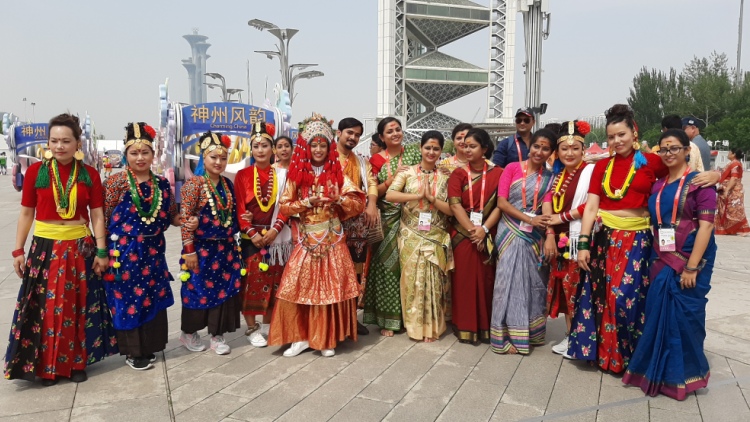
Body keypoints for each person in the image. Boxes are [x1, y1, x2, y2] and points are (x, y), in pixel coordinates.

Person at [573, 104, 719, 373]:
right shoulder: (602, 166)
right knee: (603, 297)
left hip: (639, 241)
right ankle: (607, 357)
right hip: (605, 239)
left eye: (621, 134)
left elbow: (682, 172)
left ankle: (634, 357)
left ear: (634, 133)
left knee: (627, 300)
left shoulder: (652, 161)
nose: (616, 141)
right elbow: (592, 207)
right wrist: (583, 244)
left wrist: (716, 174)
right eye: (611, 137)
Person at [6, 113, 114, 385]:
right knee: (47, 307)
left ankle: (77, 363)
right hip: (45, 248)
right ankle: (47, 367)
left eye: (66, 141)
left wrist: (102, 252)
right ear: (48, 142)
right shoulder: (36, 172)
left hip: (80, 247)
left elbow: (97, 215)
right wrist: (18, 251)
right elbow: (26, 213)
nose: (59, 146)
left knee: (78, 305)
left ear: (78, 143)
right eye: (54, 141)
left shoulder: (89, 174)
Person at [622, 129, 717, 400]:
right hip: (660, 257)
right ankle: (657, 373)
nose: (668, 153)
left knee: (685, 318)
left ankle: (685, 376)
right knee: (657, 313)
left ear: (687, 150)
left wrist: (691, 266)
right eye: (663, 149)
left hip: (690, 259)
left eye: (674, 148)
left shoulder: (701, 183)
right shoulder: (659, 184)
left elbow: (706, 226)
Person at [268, 113, 364, 357]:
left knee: (331, 290)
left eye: (322, 145)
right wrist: (306, 202)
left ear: (328, 147)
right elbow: (285, 207)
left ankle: (326, 338)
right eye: (314, 145)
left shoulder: (337, 174)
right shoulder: (297, 175)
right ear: (306, 147)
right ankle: (300, 337)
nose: (318, 149)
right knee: (298, 287)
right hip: (306, 240)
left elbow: (357, 205)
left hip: (332, 239)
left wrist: (338, 199)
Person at [103, 122, 185, 370]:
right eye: (134, 153)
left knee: (151, 296)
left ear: (153, 154)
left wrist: (187, 219)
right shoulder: (115, 183)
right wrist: (101, 252)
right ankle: (133, 352)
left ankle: (150, 345)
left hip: (153, 252)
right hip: (124, 253)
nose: (140, 158)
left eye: (145, 152)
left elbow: (170, 216)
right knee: (128, 300)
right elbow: (104, 218)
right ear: (126, 155)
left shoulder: (162, 184)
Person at [384, 131, 454, 342]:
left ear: (441, 151)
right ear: (420, 148)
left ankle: (432, 327)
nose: (431, 152)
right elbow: (390, 195)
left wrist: (431, 198)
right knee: (412, 281)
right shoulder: (407, 172)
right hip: (410, 233)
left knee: (434, 283)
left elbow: (452, 210)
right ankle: (414, 326)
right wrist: (417, 195)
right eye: (428, 148)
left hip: (435, 234)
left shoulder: (446, 176)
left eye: (436, 148)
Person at [491, 129, 556, 355]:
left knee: (533, 282)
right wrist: (529, 219)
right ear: (530, 147)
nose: (539, 151)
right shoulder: (511, 168)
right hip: (509, 231)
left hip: (534, 235)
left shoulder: (550, 177)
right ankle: (505, 335)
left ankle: (530, 332)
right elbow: (502, 202)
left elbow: (547, 207)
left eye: (545, 148)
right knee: (507, 282)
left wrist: (549, 234)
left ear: (551, 152)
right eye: (537, 146)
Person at [179, 131, 243, 355]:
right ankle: (188, 333)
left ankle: (217, 335)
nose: (218, 162)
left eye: (223, 158)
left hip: (225, 249)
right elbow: (185, 219)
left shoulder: (227, 184)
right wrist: (189, 251)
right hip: (200, 250)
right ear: (203, 158)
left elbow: (231, 216)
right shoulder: (193, 185)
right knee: (196, 291)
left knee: (224, 292)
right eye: (213, 157)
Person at [234, 122, 292, 348]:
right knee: (251, 284)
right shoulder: (243, 175)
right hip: (251, 239)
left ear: (273, 149)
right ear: (251, 149)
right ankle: (251, 327)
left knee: (275, 282)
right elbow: (240, 209)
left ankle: (268, 326)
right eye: (256, 146)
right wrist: (252, 233)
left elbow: (286, 206)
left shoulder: (283, 175)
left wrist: (275, 230)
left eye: (265, 145)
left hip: (276, 239)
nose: (260, 150)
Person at [363, 117, 421, 336]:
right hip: (387, 219)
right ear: (382, 137)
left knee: (410, 266)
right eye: (390, 131)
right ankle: (388, 318)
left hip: (412, 216)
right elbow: (372, 190)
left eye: (398, 129)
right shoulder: (376, 160)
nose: (395, 133)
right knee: (387, 266)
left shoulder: (415, 153)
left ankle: (410, 317)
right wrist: (391, 180)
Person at [542, 121, 594, 357]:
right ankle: (569, 334)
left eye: (575, 148)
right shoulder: (558, 174)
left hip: (579, 238)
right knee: (564, 290)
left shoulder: (590, 171)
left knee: (578, 289)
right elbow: (548, 201)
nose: (569, 153)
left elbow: (591, 204)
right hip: (561, 238)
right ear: (557, 151)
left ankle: (580, 338)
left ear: (583, 150)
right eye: (564, 148)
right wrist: (550, 232)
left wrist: (561, 217)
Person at [447, 128, 502, 344]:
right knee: (464, 282)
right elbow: (455, 205)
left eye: (473, 146)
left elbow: (500, 205)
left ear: (485, 148)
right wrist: (473, 230)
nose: (467, 150)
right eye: (465, 146)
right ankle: (465, 326)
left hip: (488, 232)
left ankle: (486, 327)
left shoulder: (499, 173)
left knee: (487, 281)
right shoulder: (458, 174)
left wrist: (484, 230)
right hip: (463, 234)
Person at [336, 118, 379, 335]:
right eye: (349, 133)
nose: (353, 138)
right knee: (333, 271)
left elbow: (371, 183)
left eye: (357, 135)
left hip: (356, 226)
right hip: (331, 223)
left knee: (355, 273)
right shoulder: (327, 157)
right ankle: (333, 321)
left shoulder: (361, 162)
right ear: (339, 133)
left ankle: (351, 319)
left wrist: (371, 204)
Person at [716, 148, 750, 236]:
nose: (728, 154)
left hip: (733, 191)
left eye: (729, 152)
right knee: (726, 210)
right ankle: (727, 229)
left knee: (734, 210)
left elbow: (734, 178)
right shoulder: (733, 163)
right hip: (729, 189)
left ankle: (742, 229)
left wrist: (727, 189)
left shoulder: (735, 164)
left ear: (733, 154)